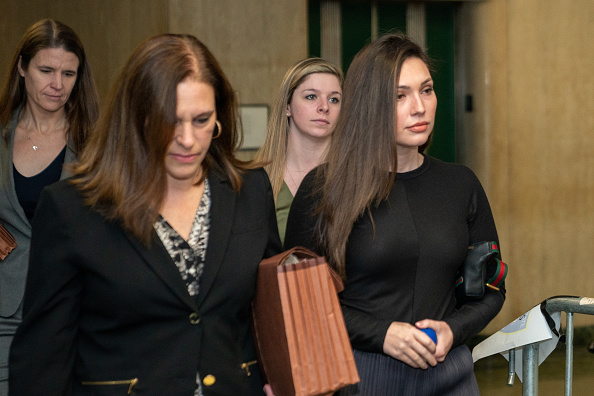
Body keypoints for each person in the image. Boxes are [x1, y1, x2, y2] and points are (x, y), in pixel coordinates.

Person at [9, 33, 281, 395]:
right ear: (136, 117)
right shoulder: (72, 210)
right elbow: (43, 360)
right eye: (170, 120)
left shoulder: (249, 192)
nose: (187, 139)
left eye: (202, 120)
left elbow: (272, 314)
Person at [284, 33, 505, 395]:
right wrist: (381, 334)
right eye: (399, 96)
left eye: (427, 90)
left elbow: (492, 290)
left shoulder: (460, 184)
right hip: (360, 376)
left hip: (452, 375)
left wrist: (454, 329)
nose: (419, 107)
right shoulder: (324, 189)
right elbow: (298, 304)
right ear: (369, 105)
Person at [0, 18, 99, 393]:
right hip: (5, 310)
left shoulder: (96, 143)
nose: (58, 84)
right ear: (23, 68)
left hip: (77, 311)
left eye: (69, 73)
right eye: (46, 70)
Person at [254, 58, 342, 243]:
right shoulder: (258, 180)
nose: (324, 107)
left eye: (334, 99)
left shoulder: (353, 177)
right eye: (311, 96)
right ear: (287, 106)